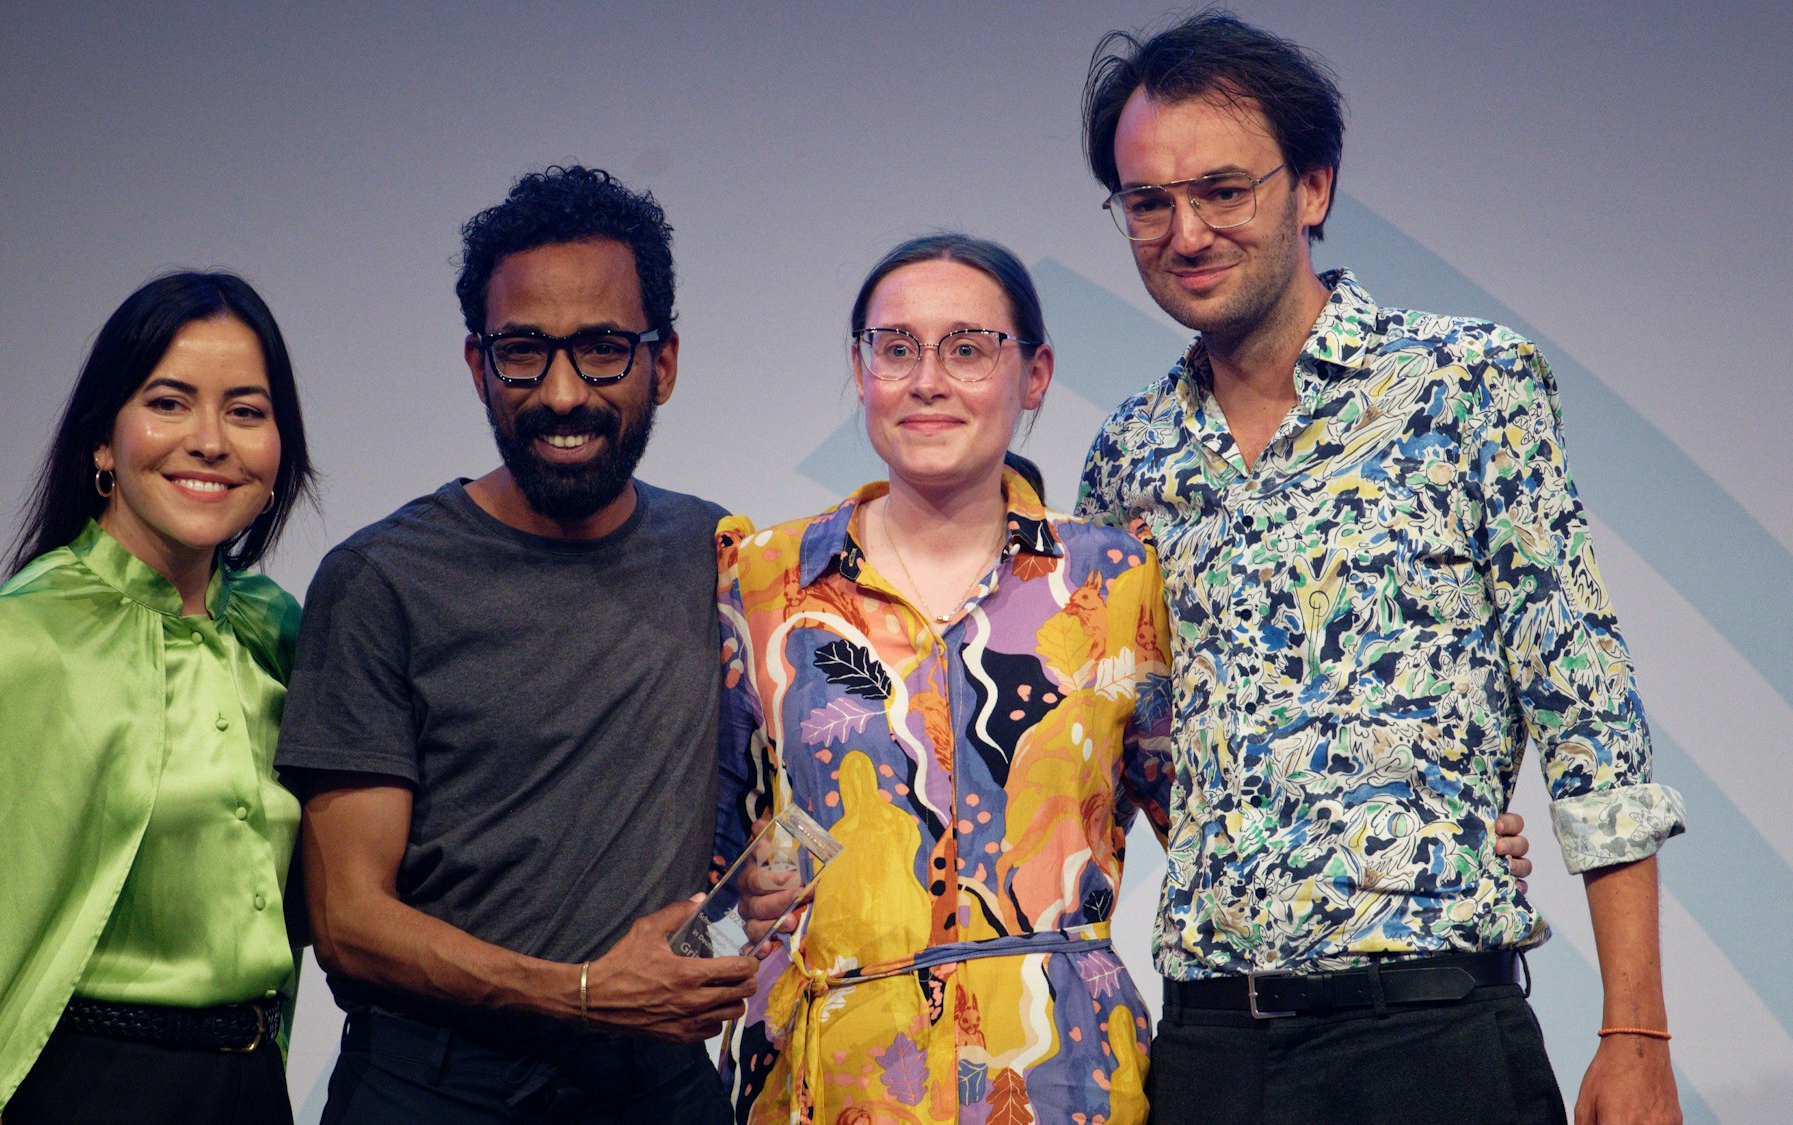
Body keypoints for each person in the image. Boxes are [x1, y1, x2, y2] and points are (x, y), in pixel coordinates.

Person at [1074, 12, 1686, 1125]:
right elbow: (1119, 756)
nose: (1185, 231)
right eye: (1148, 202)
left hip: (1430, 1034)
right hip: (1211, 1045)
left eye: (1223, 190)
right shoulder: (1127, 455)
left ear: (1311, 187)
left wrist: (1635, 1033)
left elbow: (1588, 714)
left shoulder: (1466, 383)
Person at [275, 165, 756, 1124]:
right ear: (477, 365)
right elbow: (349, 923)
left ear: (663, 362)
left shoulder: (720, 554)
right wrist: (582, 992)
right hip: (436, 1087)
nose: (562, 393)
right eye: (524, 351)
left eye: (604, 349)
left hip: (655, 1085)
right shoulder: (380, 579)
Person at [715, 233, 1174, 1124]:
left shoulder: (1116, 579)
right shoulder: (763, 577)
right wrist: (739, 901)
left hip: (1058, 1077)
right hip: (829, 1080)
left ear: (1035, 375)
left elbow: (1205, 830)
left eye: (968, 349)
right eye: (896, 349)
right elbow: (706, 856)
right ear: (862, 371)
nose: (928, 380)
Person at [0, 271, 317, 1125]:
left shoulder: (280, 631)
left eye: (246, 411)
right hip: (94, 1088)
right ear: (104, 442)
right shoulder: (24, 640)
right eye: (169, 402)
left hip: (252, 1088)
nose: (210, 440)